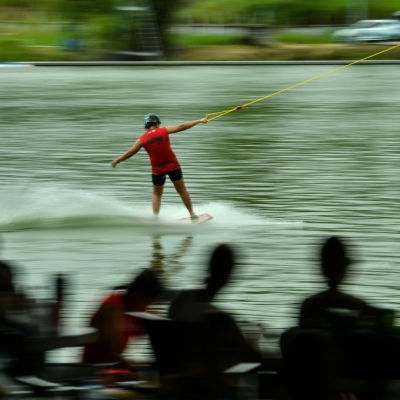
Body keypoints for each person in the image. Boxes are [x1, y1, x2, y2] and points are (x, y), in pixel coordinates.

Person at [111, 114, 208, 220]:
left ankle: (155, 219)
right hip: (173, 165)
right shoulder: (164, 130)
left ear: (147, 126)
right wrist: (199, 120)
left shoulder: (142, 139)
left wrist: (117, 160)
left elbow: (129, 153)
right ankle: (193, 215)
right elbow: (182, 126)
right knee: (182, 190)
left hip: (157, 170)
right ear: (157, 123)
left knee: (157, 194)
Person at [82, 269, 162, 368]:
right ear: (139, 295)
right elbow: (111, 353)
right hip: (95, 371)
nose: (145, 308)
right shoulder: (112, 308)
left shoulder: (134, 311)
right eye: (146, 304)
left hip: (112, 368)